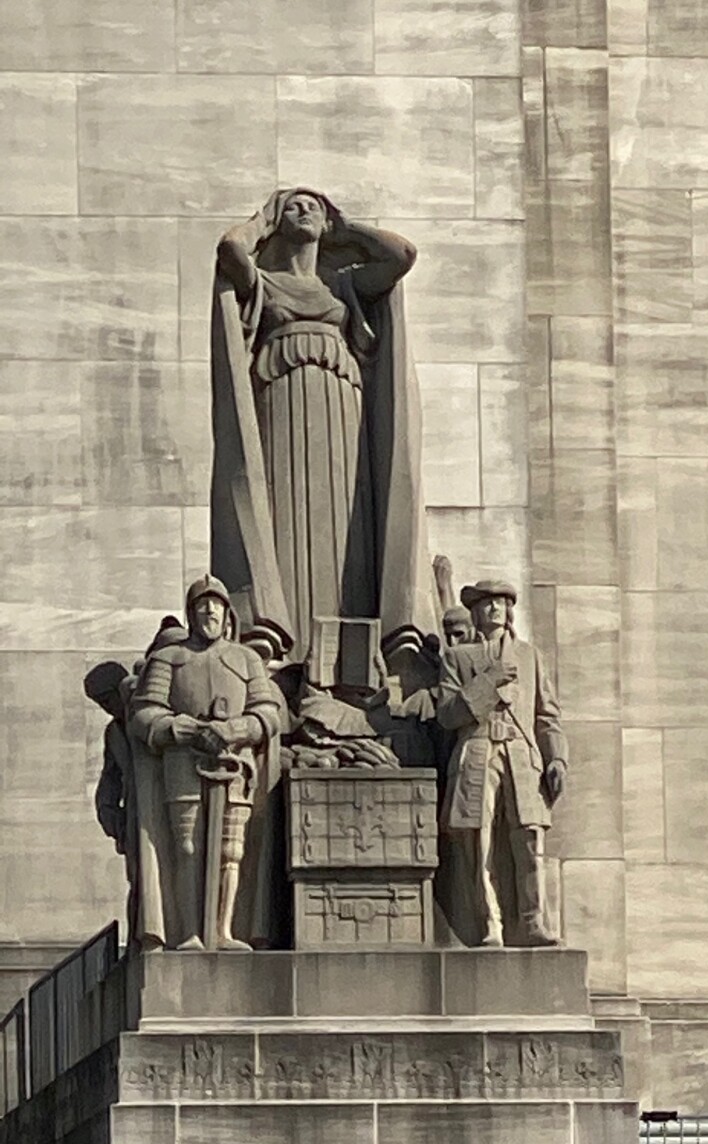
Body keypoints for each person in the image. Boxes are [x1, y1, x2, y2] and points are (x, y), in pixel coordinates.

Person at [211, 187, 434, 663]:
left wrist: (345, 227)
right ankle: (287, 649)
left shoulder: (344, 285)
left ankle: (352, 652)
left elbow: (403, 256)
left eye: (313, 206)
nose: (304, 210)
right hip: (281, 405)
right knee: (284, 515)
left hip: (342, 413)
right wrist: (262, 221)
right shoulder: (266, 284)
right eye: (294, 206)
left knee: (347, 530)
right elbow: (231, 249)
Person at [130, 575, 280, 951]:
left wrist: (235, 729)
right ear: (191, 613)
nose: (209, 611)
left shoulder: (247, 659)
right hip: (183, 763)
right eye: (201, 605)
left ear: (227, 613)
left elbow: (268, 714)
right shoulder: (168, 659)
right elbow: (144, 714)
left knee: (232, 851)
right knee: (187, 847)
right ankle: (190, 933)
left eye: (215, 605)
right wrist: (180, 729)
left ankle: (225, 931)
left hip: (234, 763)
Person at [437, 581, 568, 948]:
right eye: (486, 604)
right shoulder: (457, 658)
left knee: (529, 839)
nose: (494, 609)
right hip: (477, 750)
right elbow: (447, 715)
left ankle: (532, 922)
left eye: (500, 603)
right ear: (475, 612)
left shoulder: (529, 656)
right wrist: (488, 682)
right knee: (478, 840)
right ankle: (489, 923)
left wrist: (557, 756)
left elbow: (547, 715)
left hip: (520, 753)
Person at [83, 661, 137, 945]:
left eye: (107, 700)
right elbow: (109, 779)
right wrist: (108, 814)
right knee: (138, 885)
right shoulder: (114, 732)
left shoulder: (147, 718)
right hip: (134, 818)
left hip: (164, 814)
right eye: (100, 703)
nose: (106, 708)